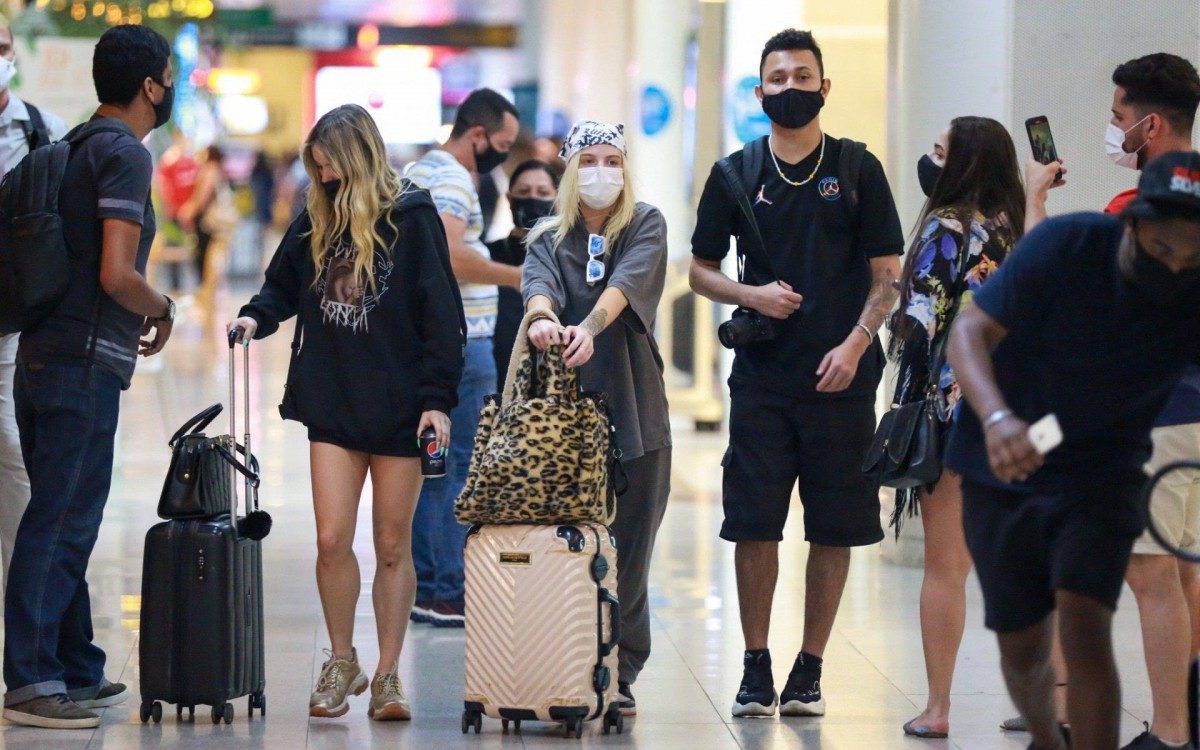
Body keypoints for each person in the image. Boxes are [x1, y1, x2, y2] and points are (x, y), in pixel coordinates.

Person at [945, 151, 1200, 750]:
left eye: (1192, 257)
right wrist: (1000, 418)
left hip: (1104, 467)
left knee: (1087, 628)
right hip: (1001, 453)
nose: (1175, 268)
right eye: (1163, 250)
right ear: (1132, 224)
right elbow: (967, 333)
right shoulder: (1067, 246)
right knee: (1023, 645)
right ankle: (1045, 736)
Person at [689, 28, 904, 718]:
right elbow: (698, 268)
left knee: (835, 527)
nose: (790, 88)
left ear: (824, 86)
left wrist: (855, 342)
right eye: (777, 78)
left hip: (843, 379)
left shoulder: (859, 170)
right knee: (753, 523)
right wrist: (750, 296)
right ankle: (756, 664)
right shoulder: (734, 174)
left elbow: (887, 276)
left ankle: (809, 666)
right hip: (762, 379)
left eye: (802, 76)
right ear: (759, 92)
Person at [227, 104, 465, 721]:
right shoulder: (317, 219)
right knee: (332, 538)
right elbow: (280, 284)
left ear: (356, 154)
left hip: (401, 405)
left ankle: (388, 673)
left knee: (391, 544)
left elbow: (442, 316)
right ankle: (342, 659)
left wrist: (438, 400)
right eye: (315, 163)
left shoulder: (413, 220)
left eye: (328, 160)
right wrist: (257, 315)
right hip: (332, 399)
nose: (322, 172)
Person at [1018, 53, 1200, 750]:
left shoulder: (1139, 207)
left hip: (1156, 417)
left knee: (1151, 576)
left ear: (1150, 125)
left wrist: (1035, 199)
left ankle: (1172, 733)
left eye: (1117, 119)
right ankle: (1187, 719)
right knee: (1183, 573)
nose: (1111, 130)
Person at [3, 24, 177, 729]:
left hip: (39, 353)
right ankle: (30, 679)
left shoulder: (69, 146)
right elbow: (116, 274)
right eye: (167, 77)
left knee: (57, 510)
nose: (171, 88)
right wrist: (162, 307)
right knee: (62, 521)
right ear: (148, 86)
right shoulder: (125, 157)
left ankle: (75, 666)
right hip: (81, 364)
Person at [889, 118, 1032, 739]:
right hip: (1013, 407)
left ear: (965, 163)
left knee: (945, 566)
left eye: (940, 151)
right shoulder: (1014, 228)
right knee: (1019, 561)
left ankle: (939, 707)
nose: (931, 159)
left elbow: (922, 316)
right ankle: (1036, 701)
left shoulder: (945, 228)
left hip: (950, 410)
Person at [523, 120, 671, 716]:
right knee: (565, 549)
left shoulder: (645, 224)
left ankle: (622, 669)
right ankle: (562, 663)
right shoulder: (547, 236)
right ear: (569, 169)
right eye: (589, 160)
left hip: (636, 416)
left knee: (629, 557)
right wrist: (541, 319)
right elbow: (539, 286)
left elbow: (627, 284)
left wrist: (587, 327)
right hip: (561, 424)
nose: (601, 171)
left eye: (613, 160)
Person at [405, 88, 520, 627]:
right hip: (465, 341)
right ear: (477, 135)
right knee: (461, 465)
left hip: (430, 340)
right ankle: (447, 588)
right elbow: (450, 257)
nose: (503, 154)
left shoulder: (418, 170)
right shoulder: (452, 179)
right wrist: (517, 277)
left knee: (432, 467)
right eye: (501, 144)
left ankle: (427, 584)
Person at [0, 12, 68, 601]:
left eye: (0, 46)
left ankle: (19, 598)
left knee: (15, 459)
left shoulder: (42, 132)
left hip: (13, 327)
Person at [488, 159, 559, 383]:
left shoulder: (566, 258)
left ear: (556, 200)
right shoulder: (487, 257)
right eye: (524, 191)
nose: (533, 198)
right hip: (497, 378)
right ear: (509, 199)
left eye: (542, 192)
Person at [176, 144, 229, 285]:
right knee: (209, 256)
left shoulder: (210, 169)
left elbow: (203, 196)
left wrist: (190, 210)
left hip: (206, 220)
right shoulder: (218, 169)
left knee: (203, 256)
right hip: (212, 221)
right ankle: (207, 288)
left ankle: (205, 288)